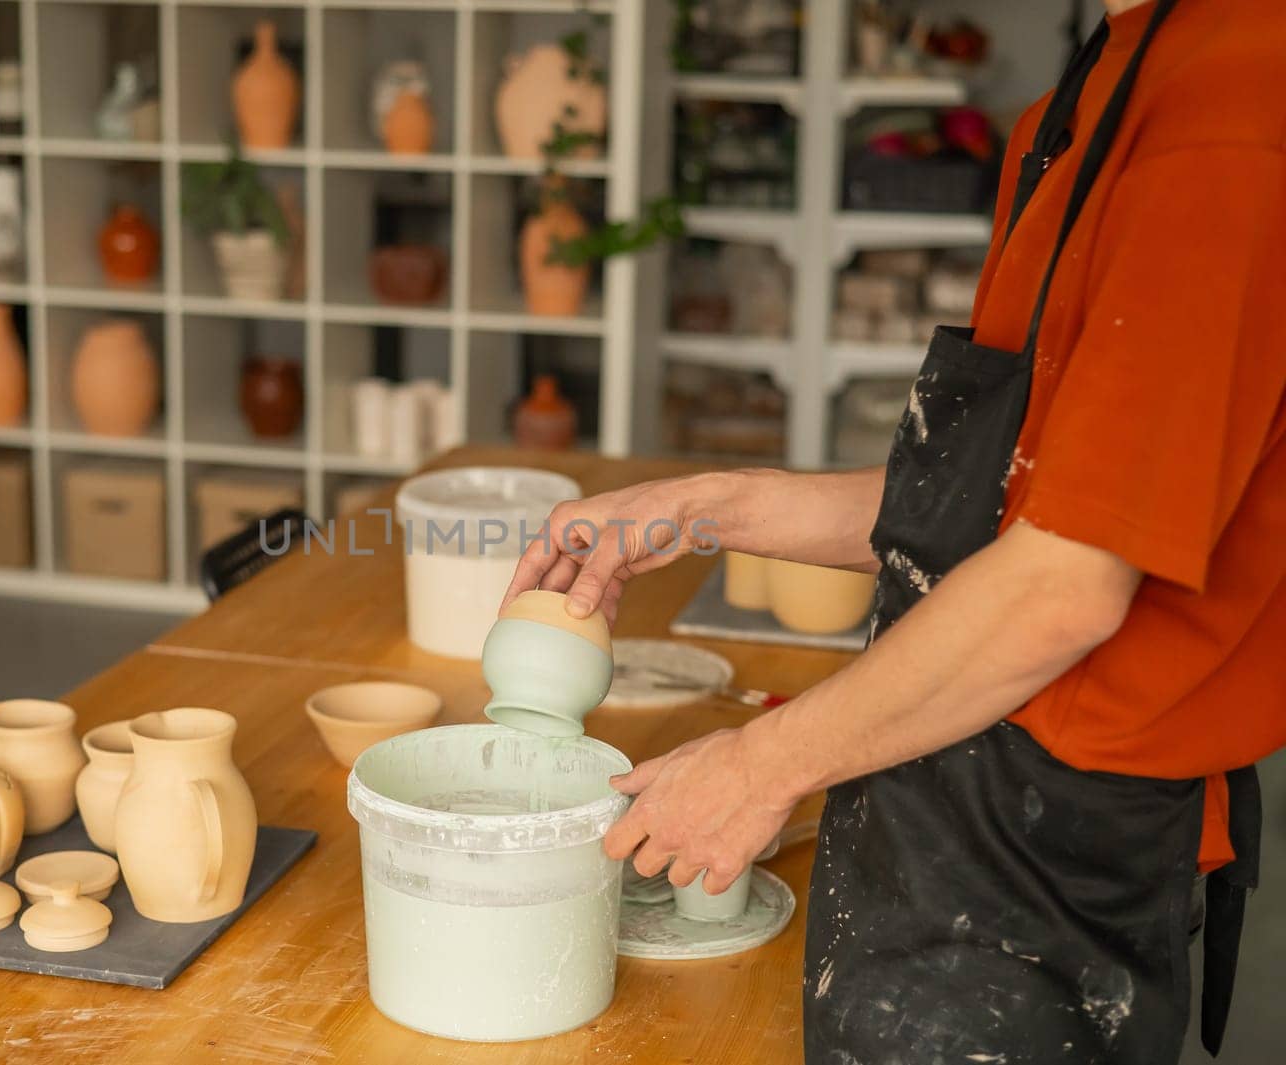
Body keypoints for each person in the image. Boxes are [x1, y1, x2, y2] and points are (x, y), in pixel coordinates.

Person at [502, 0, 1286, 1060]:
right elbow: (998, 509)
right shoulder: (1088, 99)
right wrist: (708, 507)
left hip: (1050, 849)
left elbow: (1063, 585)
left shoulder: (1232, 102)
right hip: (942, 756)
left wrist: (759, 766)